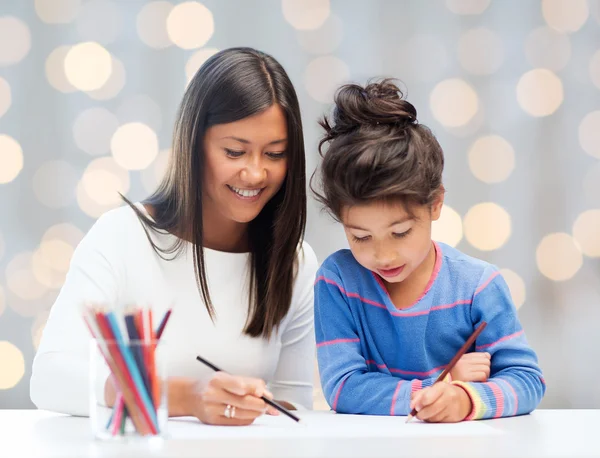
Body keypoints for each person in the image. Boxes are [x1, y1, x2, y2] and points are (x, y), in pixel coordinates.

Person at [30, 47, 318, 426]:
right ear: (194, 145)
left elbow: (292, 408)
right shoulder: (122, 237)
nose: (255, 173)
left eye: (275, 154)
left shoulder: (295, 261)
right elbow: (50, 379)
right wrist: (183, 397)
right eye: (235, 152)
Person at [312, 79, 545, 422]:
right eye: (361, 237)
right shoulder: (338, 282)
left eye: (401, 232)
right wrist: (438, 384)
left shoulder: (478, 285)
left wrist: (465, 399)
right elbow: (343, 388)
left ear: (435, 204)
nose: (384, 255)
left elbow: (527, 381)